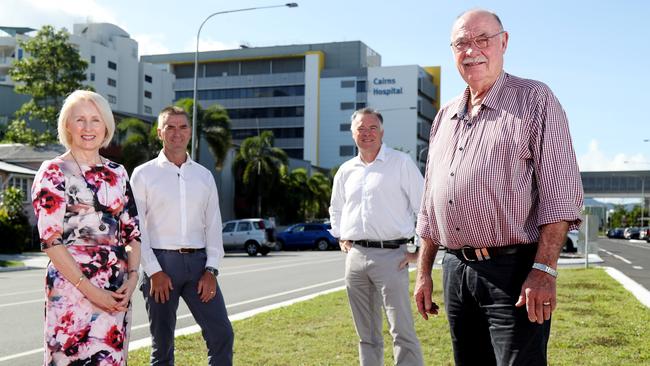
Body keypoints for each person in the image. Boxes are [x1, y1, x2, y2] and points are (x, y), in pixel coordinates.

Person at [413, 9, 584, 366]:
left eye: (482, 40)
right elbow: (431, 205)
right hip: (457, 271)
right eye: (461, 43)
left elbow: (561, 198)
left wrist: (545, 270)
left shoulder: (535, 100)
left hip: (515, 273)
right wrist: (424, 272)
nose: (471, 50)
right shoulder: (444, 117)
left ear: (503, 42)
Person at [32, 90, 141, 365]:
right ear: (67, 124)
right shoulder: (53, 171)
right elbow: (50, 241)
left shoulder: (118, 172)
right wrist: (92, 291)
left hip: (116, 292)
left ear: (106, 125)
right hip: (72, 292)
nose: (88, 127)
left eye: (96, 119)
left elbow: (132, 233)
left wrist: (132, 277)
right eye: (80, 119)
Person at [131, 106, 233, 365]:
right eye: (170, 127)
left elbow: (213, 225)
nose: (177, 133)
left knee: (221, 334)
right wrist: (154, 271)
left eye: (183, 127)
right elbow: (137, 228)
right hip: (161, 267)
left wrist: (212, 270)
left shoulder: (204, 176)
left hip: (200, 267)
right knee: (162, 346)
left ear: (190, 132)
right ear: (159, 132)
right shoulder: (143, 174)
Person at [329, 107, 425, 366]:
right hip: (356, 257)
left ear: (382, 132)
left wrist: (418, 250)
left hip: (392, 256)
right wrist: (340, 235)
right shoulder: (346, 170)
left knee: (401, 330)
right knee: (366, 334)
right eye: (361, 128)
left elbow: (424, 207)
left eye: (372, 128)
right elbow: (336, 207)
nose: (367, 133)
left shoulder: (400, 163)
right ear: (353, 134)